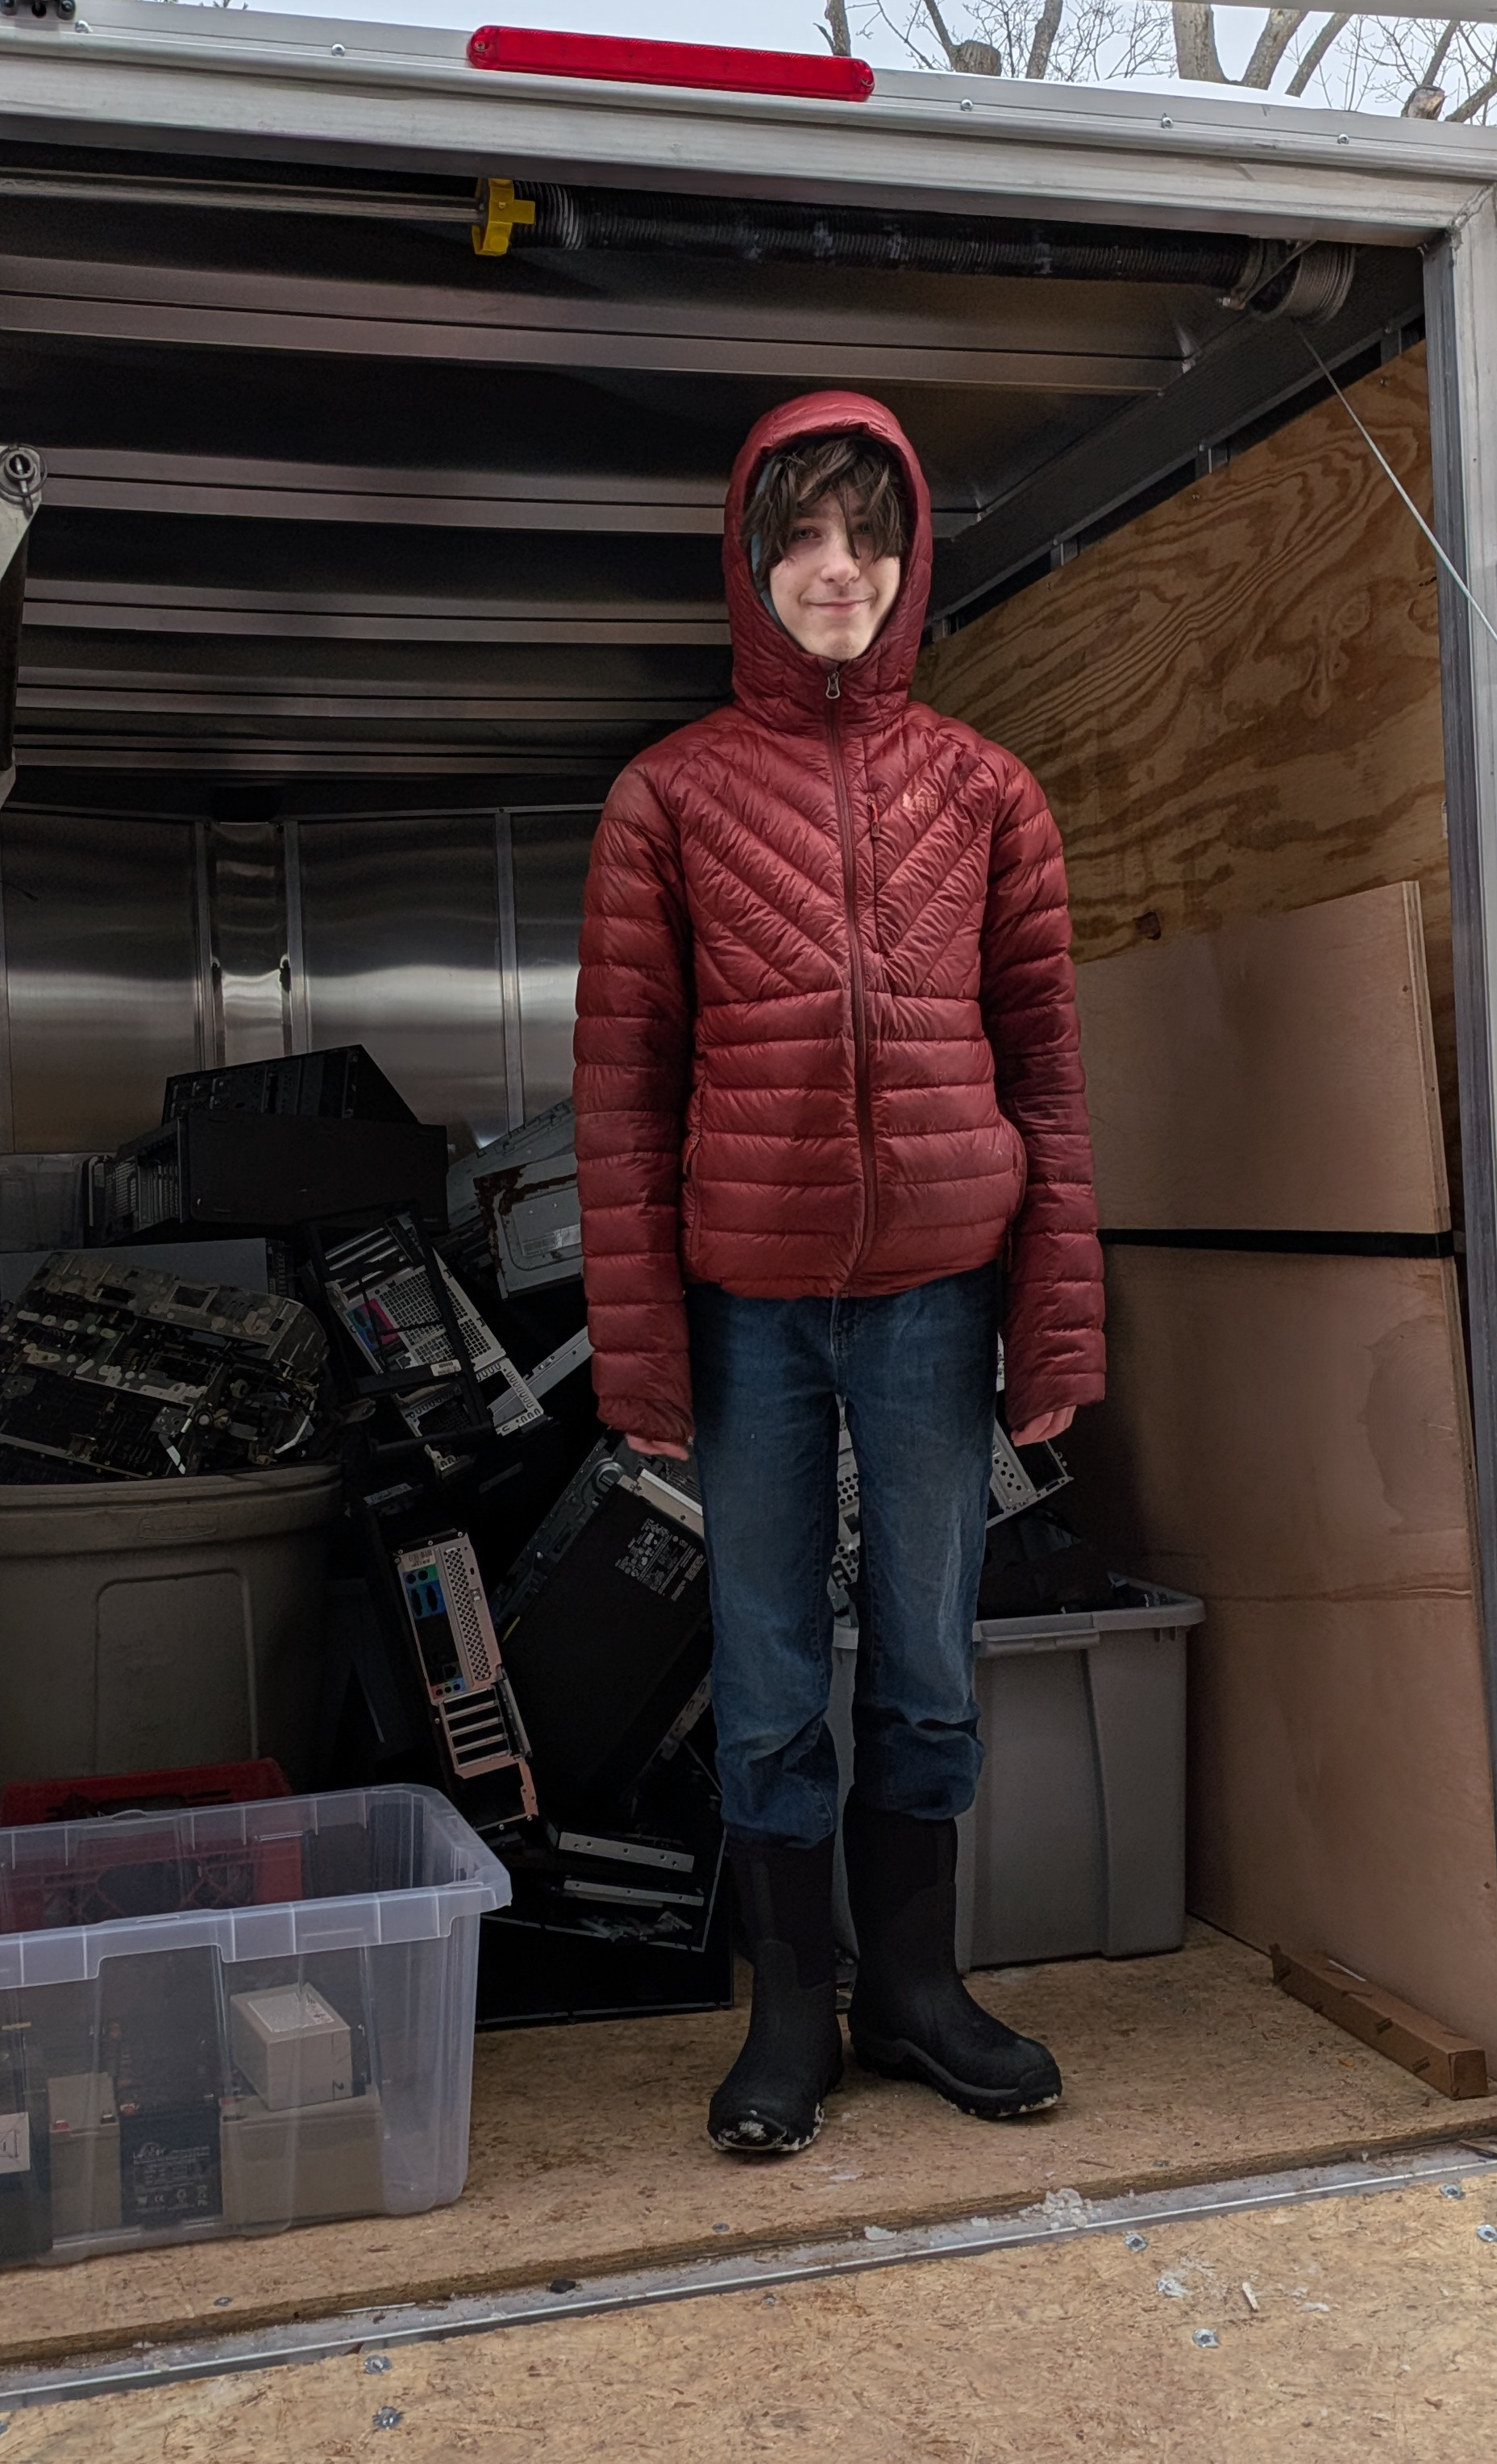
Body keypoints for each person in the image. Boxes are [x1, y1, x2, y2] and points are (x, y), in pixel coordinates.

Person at [573, 391, 1104, 2155]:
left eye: (866, 536)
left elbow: (1048, 1071)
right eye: (798, 535)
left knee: (932, 1665)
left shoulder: (986, 794)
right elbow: (623, 1093)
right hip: (747, 1309)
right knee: (772, 1661)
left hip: (942, 1299)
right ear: (748, 559)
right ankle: (792, 2014)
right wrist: (639, 1353)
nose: (834, 570)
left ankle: (921, 1997)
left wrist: (1056, 1311)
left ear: (910, 560)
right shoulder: (668, 799)